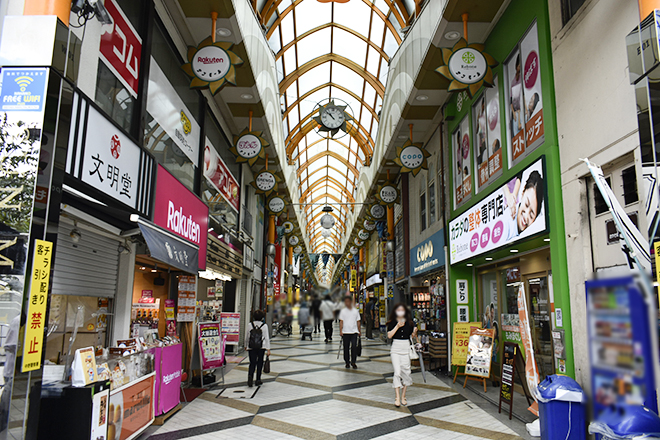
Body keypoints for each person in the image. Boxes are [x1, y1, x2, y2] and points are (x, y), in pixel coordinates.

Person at [386, 303, 418, 408]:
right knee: (397, 372)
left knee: (406, 372)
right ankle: (397, 397)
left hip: (406, 349)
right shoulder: (391, 322)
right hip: (395, 349)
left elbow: (412, 337)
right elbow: (389, 335)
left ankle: (403, 396)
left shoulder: (410, 323)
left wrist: (414, 333)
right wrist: (397, 326)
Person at [503, 170, 544, 242]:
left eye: (531, 215)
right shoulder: (505, 224)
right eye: (526, 204)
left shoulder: (532, 233)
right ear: (522, 193)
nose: (526, 216)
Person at [244, 309, 270, 387]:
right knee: (260, 363)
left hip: (251, 347)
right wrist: (268, 349)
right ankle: (258, 379)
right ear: (262, 317)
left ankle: (250, 378)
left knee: (252, 363)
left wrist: (246, 345)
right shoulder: (264, 326)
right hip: (261, 347)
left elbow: (247, 337)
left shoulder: (250, 325)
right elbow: (267, 338)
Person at [339, 295, 361, 369]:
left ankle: (353, 361)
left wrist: (359, 331)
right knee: (346, 348)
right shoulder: (343, 311)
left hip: (354, 332)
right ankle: (347, 362)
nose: (347, 303)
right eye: (346, 302)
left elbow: (358, 322)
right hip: (345, 332)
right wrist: (340, 331)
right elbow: (341, 321)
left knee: (354, 347)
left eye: (348, 301)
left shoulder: (355, 311)